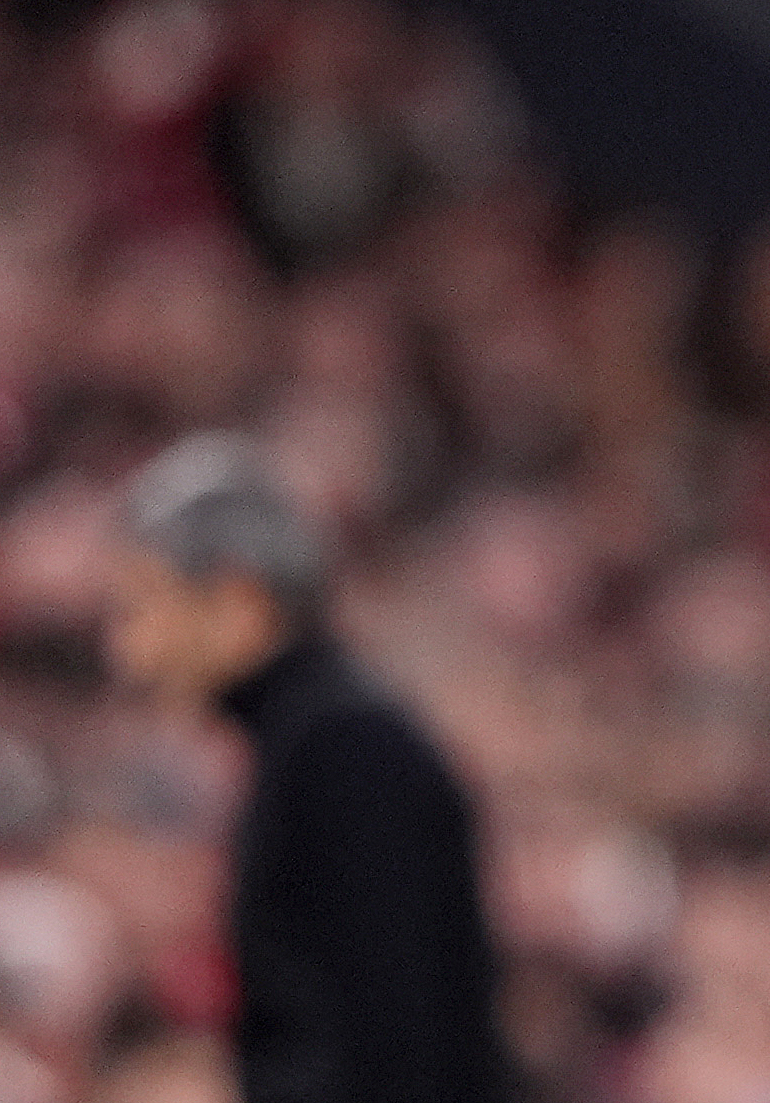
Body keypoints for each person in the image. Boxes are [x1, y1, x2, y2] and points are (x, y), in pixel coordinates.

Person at [106, 433, 509, 1103]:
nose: (127, 650)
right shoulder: (316, 736)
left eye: (143, 606)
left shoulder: (344, 748)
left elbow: (389, 1033)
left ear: (237, 600)